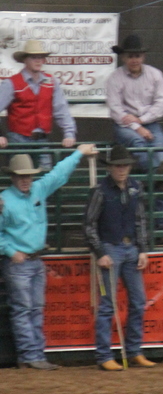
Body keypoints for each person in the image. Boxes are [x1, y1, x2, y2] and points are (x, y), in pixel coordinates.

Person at [0, 143, 98, 369]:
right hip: (21, 260)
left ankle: (32, 355)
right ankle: (32, 355)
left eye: (28, 176)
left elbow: (59, 172)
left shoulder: (34, 191)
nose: (26, 180)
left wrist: (78, 153)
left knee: (32, 308)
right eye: (21, 176)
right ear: (13, 177)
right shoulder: (6, 201)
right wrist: (9, 251)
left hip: (32, 259)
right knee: (26, 308)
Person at [84, 145, 155, 372]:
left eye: (124, 165)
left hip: (129, 248)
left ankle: (134, 351)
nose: (122, 169)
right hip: (111, 249)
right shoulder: (100, 191)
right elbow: (89, 225)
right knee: (107, 304)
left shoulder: (135, 187)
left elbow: (140, 220)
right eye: (118, 166)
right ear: (111, 168)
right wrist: (100, 252)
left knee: (138, 301)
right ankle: (105, 355)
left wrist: (142, 249)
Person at [0, 39, 77, 169]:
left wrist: (69, 132)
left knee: (45, 176)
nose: (38, 60)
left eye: (41, 57)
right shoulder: (11, 83)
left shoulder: (51, 82)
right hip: (18, 138)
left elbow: (61, 109)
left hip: (42, 138)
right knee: (21, 174)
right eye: (34, 57)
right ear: (25, 60)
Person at [105, 34, 163, 170]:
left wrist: (141, 120)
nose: (134, 60)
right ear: (123, 58)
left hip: (150, 122)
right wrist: (137, 127)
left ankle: (155, 177)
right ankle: (158, 176)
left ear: (143, 57)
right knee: (138, 142)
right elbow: (116, 110)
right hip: (125, 126)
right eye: (130, 56)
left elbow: (162, 104)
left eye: (137, 56)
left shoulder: (155, 75)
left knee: (160, 144)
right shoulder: (114, 78)